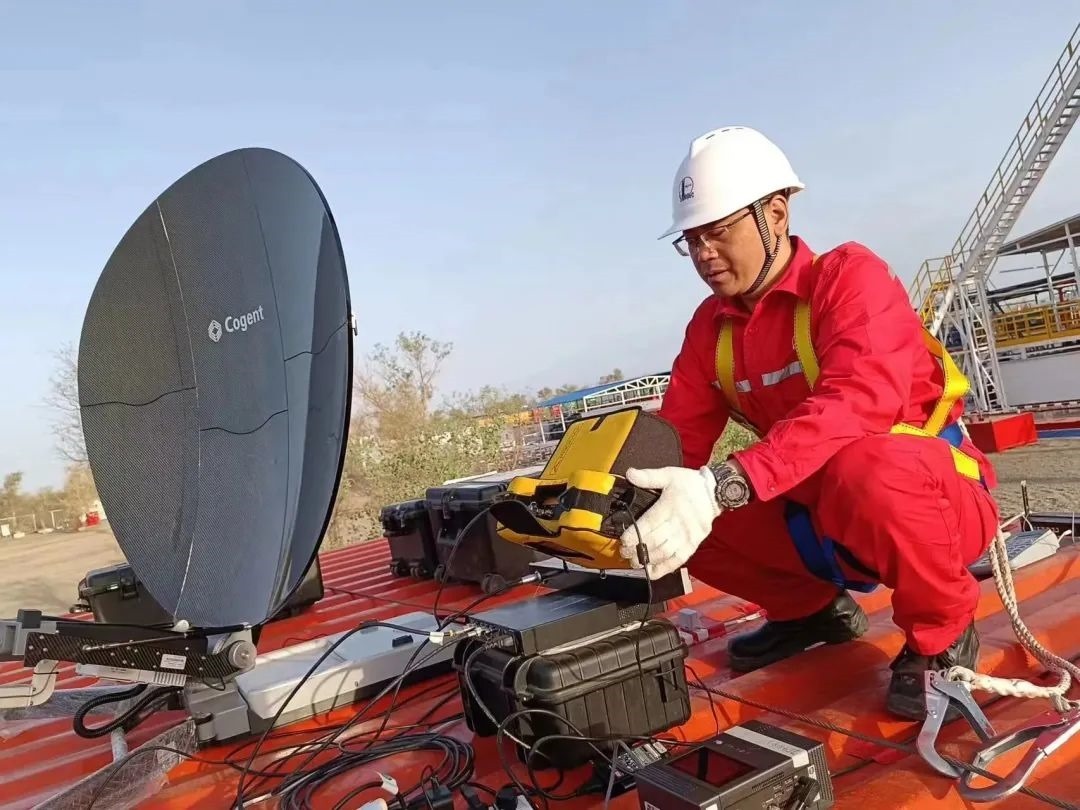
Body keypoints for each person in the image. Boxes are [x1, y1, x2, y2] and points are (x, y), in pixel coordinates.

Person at [618, 126, 1000, 720]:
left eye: (718, 231)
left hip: (930, 505)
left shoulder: (849, 278)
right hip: (819, 514)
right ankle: (811, 612)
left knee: (869, 467)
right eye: (691, 240)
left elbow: (858, 402)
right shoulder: (711, 329)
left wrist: (727, 483)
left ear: (775, 214)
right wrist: (601, 500)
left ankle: (943, 635)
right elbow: (676, 440)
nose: (704, 254)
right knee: (663, 507)